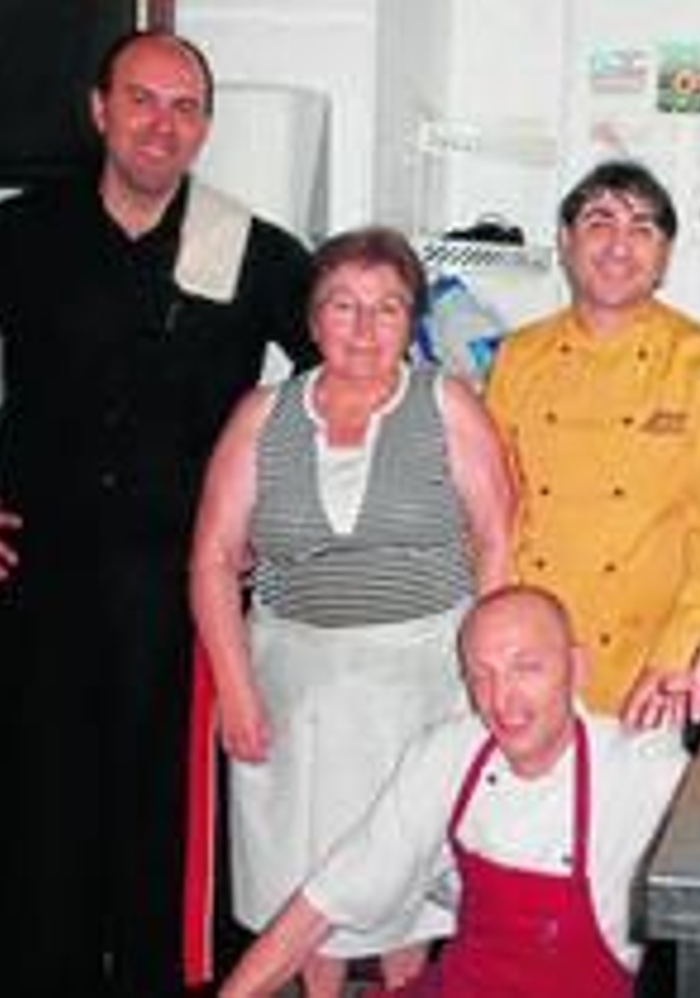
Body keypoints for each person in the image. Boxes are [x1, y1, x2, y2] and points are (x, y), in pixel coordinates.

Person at [0, 30, 316, 997]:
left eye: (186, 106)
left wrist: (269, 523)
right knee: (42, 835)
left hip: (184, 599)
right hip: (47, 586)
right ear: (99, 110)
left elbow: (342, 388)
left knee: (171, 838)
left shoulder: (251, 250)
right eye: (144, 100)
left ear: (205, 128)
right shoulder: (16, 235)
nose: (163, 124)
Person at [189, 227, 514, 996]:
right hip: (293, 688)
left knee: (404, 895)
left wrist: (484, 680)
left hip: (421, 681)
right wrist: (235, 688)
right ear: (311, 319)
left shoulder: (446, 403)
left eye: (388, 308)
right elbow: (210, 558)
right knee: (306, 879)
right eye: (344, 305)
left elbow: (499, 535)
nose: (365, 328)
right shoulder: (263, 415)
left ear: (413, 322)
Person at [217, 585, 700, 998]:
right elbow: (324, 902)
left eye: (526, 667)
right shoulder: (451, 752)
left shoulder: (636, 764)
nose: (503, 699)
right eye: (482, 675)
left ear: (576, 669)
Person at [483, 160, 700, 726]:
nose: (621, 244)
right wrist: (498, 652)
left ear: (664, 257)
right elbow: (492, 515)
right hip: (529, 669)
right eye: (600, 221)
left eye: (643, 228)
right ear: (566, 242)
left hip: (649, 676)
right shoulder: (517, 357)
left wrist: (682, 657)